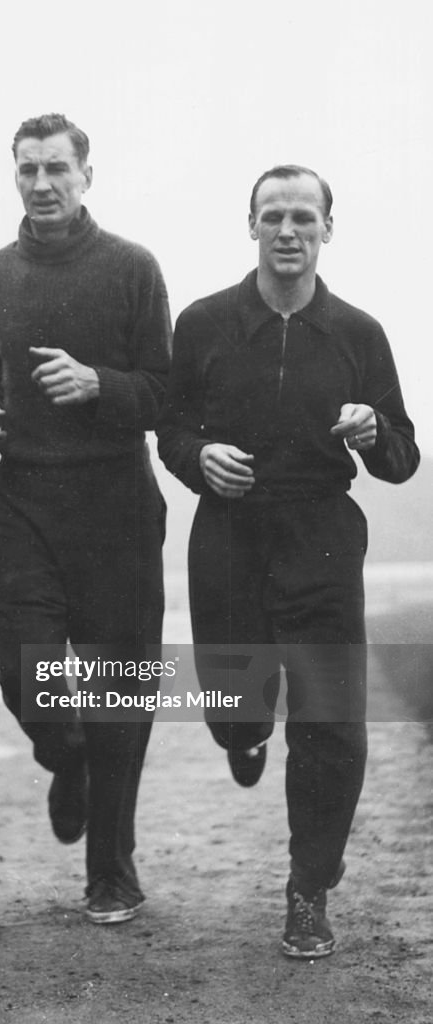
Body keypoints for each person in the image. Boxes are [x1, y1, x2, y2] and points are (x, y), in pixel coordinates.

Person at [157, 164, 419, 958]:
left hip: (323, 538)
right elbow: (168, 430)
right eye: (273, 215)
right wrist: (201, 457)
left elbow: (403, 456)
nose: (288, 230)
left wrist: (374, 427)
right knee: (234, 707)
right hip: (228, 538)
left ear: (327, 231)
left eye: (304, 216)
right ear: (251, 226)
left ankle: (309, 891)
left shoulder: (358, 333)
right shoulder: (203, 324)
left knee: (331, 723)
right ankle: (242, 736)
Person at [0, 113, 171, 924]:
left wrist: (100, 386)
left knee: (121, 690)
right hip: (23, 499)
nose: (43, 183)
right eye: (28, 169)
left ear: (88, 175)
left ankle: (111, 871)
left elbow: (166, 390)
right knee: (29, 675)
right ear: (14, 176)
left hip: (116, 502)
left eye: (57, 168)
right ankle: (67, 757)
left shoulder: (132, 267)